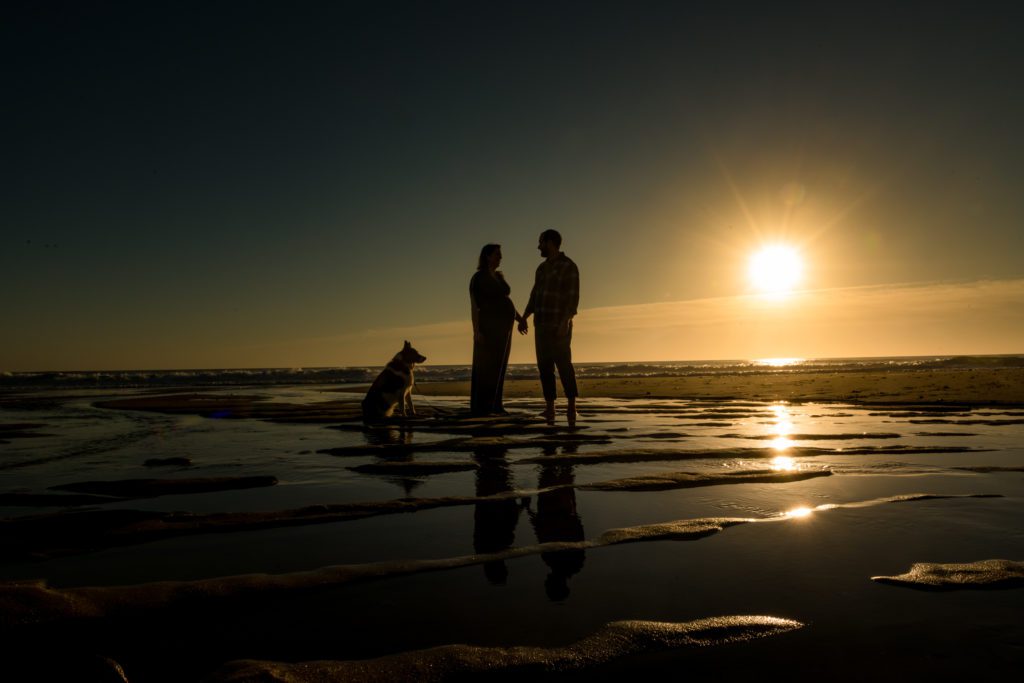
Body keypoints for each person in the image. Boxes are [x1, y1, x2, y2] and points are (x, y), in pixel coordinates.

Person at [518, 229, 579, 423]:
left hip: (559, 324)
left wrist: (565, 322)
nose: (538, 246)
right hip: (541, 324)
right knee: (544, 367)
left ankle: (571, 406)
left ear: (550, 242)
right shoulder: (541, 269)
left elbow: (572, 298)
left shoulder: (568, 266)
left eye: (541, 242)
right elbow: (534, 295)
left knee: (564, 366)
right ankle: (550, 407)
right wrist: (524, 317)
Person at [470, 244, 523, 416]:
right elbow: (474, 306)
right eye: (497, 254)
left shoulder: (499, 277)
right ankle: (483, 407)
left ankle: (496, 405)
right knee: (486, 367)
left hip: (504, 330)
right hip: (488, 327)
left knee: (500, 367)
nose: (501, 257)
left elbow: (506, 300)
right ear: (487, 256)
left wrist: (519, 318)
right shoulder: (478, 278)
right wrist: (477, 331)